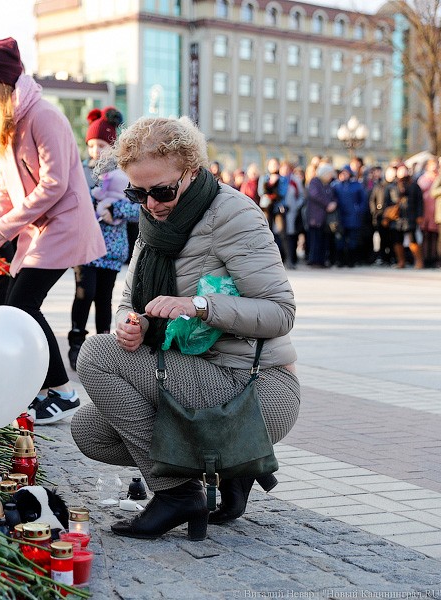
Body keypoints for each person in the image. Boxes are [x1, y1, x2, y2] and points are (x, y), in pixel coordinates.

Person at [70, 116, 299, 540]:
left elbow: (280, 312)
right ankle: (231, 467)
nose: (151, 203)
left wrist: (197, 306)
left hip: (254, 386)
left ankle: (178, 493)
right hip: (190, 372)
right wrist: (127, 324)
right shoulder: (154, 223)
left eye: (162, 190)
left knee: (96, 355)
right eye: (138, 191)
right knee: (89, 431)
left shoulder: (233, 214)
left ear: (192, 170)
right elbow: (127, 300)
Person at [0, 38, 106, 424]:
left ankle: (62, 391)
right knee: (16, 304)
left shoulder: (43, 115)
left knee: (21, 305)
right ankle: (44, 389)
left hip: (65, 224)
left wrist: (4, 229)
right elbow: (7, 191)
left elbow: (55, 184)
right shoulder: (9, 122)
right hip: (40, 229)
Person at [67, 107, 138, 371]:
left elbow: (138, 209)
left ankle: (103, 346)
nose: (95, 151)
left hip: (111, 249)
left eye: (101, 145)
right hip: (84, 246)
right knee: (84, 293)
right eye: (91, 145)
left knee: (104, 298)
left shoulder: (124, 175)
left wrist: (114, 209)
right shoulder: (80, 171)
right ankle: (77, 343)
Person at [305, 164, 337, 267]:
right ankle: (314, 260)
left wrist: (334, 203)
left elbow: (333, 196)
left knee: (324, 239)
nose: (330, 176)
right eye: (329, 174)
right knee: (315, 240)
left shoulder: (328, 184)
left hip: (325, 218)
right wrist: (328, 204)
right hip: (315, 217)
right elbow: (315, 195)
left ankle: (322, 260)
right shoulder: (315, 181)